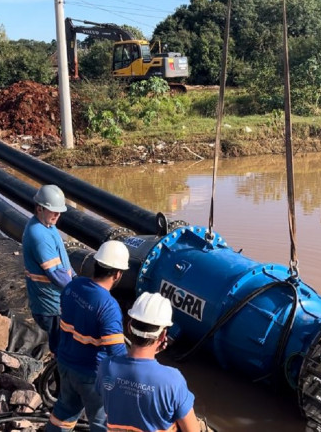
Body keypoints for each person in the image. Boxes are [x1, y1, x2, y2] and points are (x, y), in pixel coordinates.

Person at [47, 240, 130, 432]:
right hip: (91, 376)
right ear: (118, 274)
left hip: (65, 365)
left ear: (96, 264)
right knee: (102, 424)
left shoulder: (73, 286)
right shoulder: (108, 307)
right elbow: (116, 353)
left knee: (64, 411)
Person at [97, 292, 200, 432]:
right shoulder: (172, 380)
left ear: (129, 327)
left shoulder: (106, 366)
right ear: (163, 335)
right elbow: (192, 430)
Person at [22, 184, 76, 354]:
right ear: (39, 208)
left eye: (60, 212)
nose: (58, 215)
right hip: (51, 305)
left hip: (56, 301)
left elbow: (63, 263)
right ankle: (61, 377)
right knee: (62, 350)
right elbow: (56, 274)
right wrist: (79, 291)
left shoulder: (48, 226)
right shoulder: (39, 235)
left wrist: (77, 277)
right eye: (54, 212)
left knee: (64, 346)